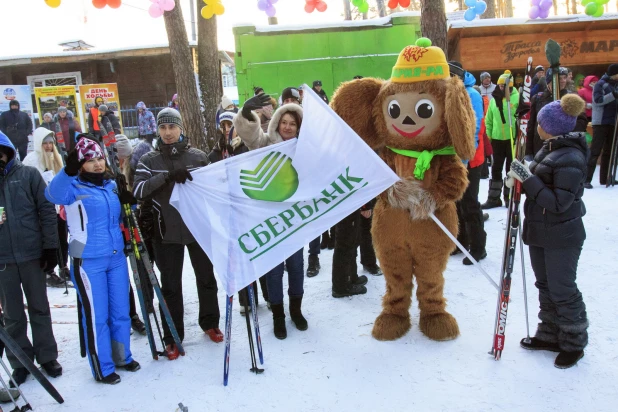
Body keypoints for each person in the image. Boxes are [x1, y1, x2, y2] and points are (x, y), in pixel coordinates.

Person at [46, 136, 139, 384]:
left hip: (116, 256)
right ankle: (103, 367)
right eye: (90, 160)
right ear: (80, 164)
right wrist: (68, 170)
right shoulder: (72, 187)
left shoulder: (109, 185)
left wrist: (128, 200)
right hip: (87, 261)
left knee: (120, 311)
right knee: (98, 316)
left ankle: (122, 356)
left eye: (99, 158)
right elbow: (52, 194)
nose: (98, 164)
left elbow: (121, 215)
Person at [506, 94, 589, 369]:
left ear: (551, 127)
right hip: (541, 232)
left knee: (562, 288)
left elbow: (557, 203)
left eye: (540, 123)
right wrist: (521, 175)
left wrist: (527, 179)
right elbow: (541, 178)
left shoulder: (571, 157)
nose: (536, 127)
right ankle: (551, 333)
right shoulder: (551, 148)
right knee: (545, 285)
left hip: (562, 235)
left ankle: (574, 342)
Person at [133, 108, 223, 358]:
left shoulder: (198, 157)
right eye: (163, 128)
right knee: (170, 285)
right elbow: (138, 190)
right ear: (157, 130)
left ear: (181, 128)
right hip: (165, 232)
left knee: (206, 278)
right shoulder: (149, 160)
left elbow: (214, 188)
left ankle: (210, 322)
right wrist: (167, 178)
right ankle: (172, 335)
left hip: (197, 229)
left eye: (172, 127)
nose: (168, 132)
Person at [233, 91, 308, 340]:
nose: (287, 127)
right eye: (284, 122)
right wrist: (246, 113)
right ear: (277, 123)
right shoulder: (265, 143)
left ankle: (295, 311)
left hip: (294, 218)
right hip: (269, 218)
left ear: (299, 127)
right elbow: (249, 134)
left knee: (297, 266)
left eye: (292, 123)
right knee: (274, 269)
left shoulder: (306, 148)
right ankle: (278, 315)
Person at [0, 131, 62, 385]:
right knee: (12, 315)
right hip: (3, 260)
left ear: (8, 151)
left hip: (32, 255)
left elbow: (47, 211)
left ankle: (47, 355)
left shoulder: (28, 175)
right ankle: (20, 360)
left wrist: (50, 248)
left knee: (40, 308)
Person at [449, 61, 487, 265]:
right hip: (456, 157)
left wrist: (464, 157)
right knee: (457, 201)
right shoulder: (451, 92)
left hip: (471, 158)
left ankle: (478, 247)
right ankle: (460, 242)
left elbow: (475, 127)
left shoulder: (471, 94)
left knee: (470, 202)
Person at [22, 127, 69, 288]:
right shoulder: (31, 160)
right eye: (45, 143)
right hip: (42, 206)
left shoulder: (56, 158)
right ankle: (49, 269)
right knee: (50, 238)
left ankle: (63, 265)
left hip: (57, 205)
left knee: (62, 237)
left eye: (51, 143)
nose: (48, 146)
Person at [113, 135, 148, 335]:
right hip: (117, 228)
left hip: (134, 222)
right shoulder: (109, 171)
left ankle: (144, 305)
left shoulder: (133, 166)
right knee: (122, 277)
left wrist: (133, 204)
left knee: (142, 264)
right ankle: (129, 313)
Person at [526, 67, 588, 159]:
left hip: (563, 149)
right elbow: (531, 126)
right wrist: (528, 151)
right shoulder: (538, 98)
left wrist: (564, 131)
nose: (563, 81)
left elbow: (582, 122)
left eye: (564, 77)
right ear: (550, 80)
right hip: (540, 147)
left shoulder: (571, 98)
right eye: (559, 78)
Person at [481, 70, 519, 209]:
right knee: (496, 168)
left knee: (510, 169)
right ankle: (494, 198)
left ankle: (509, 196)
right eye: (500, 86)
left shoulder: (516, 98)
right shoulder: (493, 100)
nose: (502, 88)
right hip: (497, 139)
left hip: (511, 138)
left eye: (505, 86)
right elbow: (489, 120)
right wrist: (489, 136)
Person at [586, 63, 618, 188]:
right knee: (595, 151)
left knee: (609, 152)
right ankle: (586, 179)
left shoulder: (614, 84)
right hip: (600, 122)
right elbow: (598, 101)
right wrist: (613, 95)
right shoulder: (600, 84)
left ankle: (605, 178)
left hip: (612, 122)